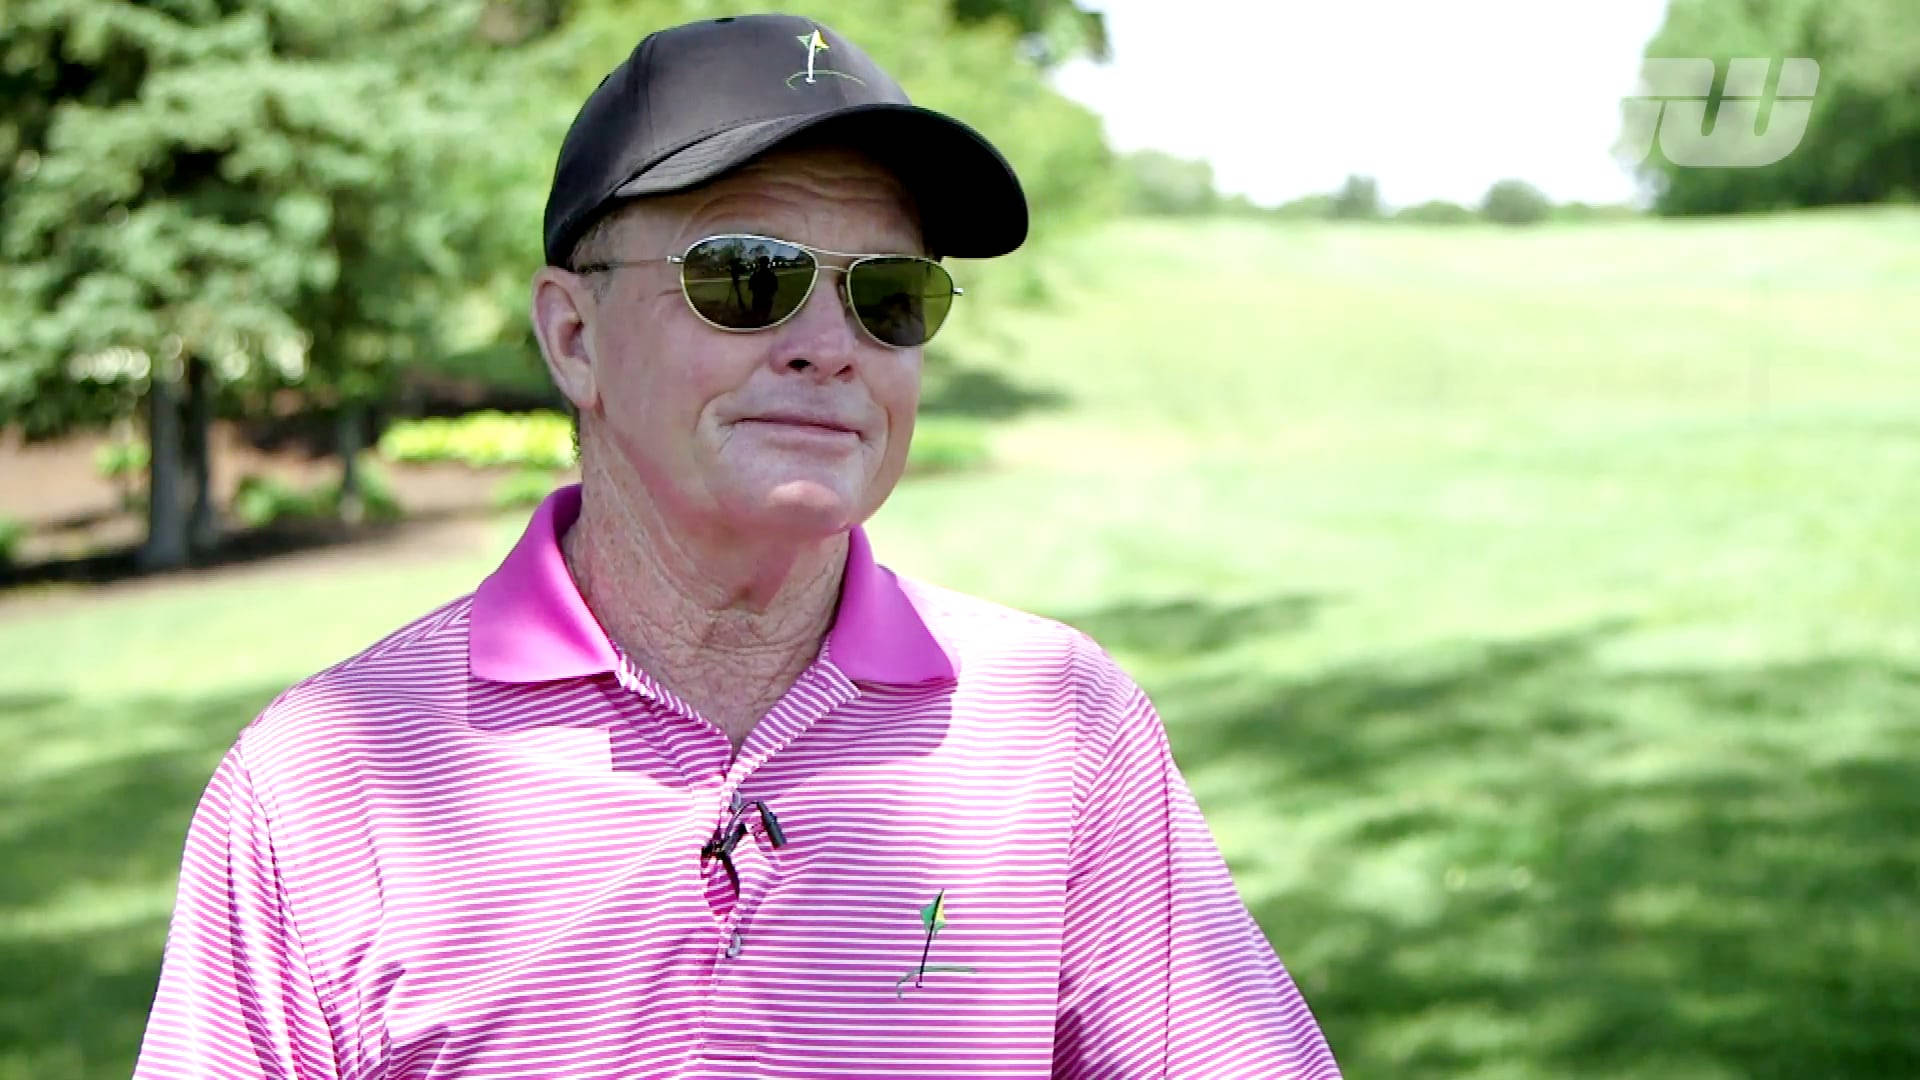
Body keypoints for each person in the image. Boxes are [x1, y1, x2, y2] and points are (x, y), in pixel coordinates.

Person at [132, 14, 1342, 1079]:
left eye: (890, 292)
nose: (831, 343)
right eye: (746, 276)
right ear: (574, 336)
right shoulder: (322, 785)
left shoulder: (1062, 730)